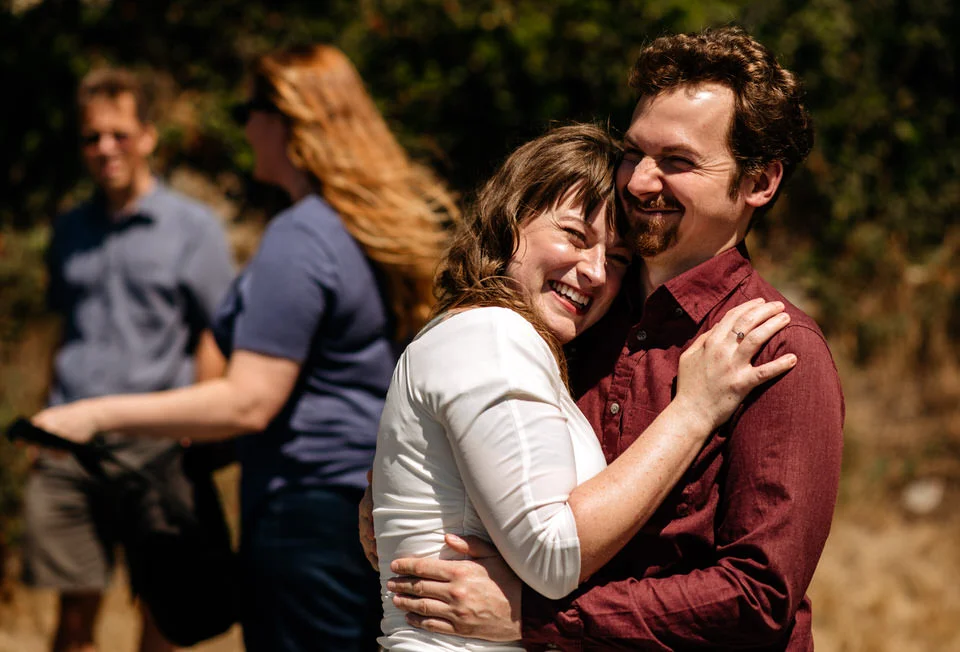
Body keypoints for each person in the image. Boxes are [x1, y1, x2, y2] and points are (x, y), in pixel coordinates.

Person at [375, 26, 844, 650]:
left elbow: (758, 597)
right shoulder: (574, 316)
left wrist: (537, 618)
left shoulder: (778, 349)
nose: (640, 181)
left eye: (677, 162)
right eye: (634, 152)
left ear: (759, 183)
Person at [30, 44, 458, 652]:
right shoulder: (362, 230)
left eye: (248, 112)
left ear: (285, 121)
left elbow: (249, 401)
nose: (245, 129)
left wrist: (91, 415)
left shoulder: (300, 236)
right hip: (370, 502)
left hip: (303, 515)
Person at [20, 68, 235, 652]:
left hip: (156, 446)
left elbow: (216, 330)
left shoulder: (193, 228)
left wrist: (196, 422)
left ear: (147, 136)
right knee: (72, 612)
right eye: (92, 137)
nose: (105, 148)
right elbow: (65, 330)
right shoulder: (69, 229)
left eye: (118, 134)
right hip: (70, 444)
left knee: (163, 611)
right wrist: (44, 419)